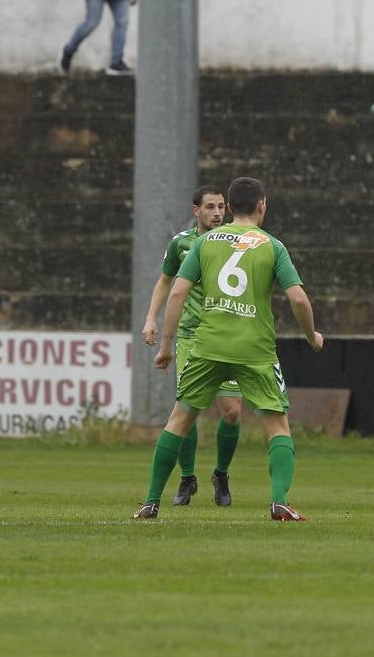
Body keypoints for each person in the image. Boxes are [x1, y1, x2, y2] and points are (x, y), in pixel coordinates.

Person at [134, 177, 324, 521]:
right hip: (255, 350)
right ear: (263, 205)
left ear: (230, 208)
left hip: (208, 346)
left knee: (178, 421)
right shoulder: (272, 245)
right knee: (278, 427)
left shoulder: (204, 243)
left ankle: (150, 502)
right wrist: (312, 336)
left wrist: (165, 345)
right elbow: (297, 297)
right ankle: (279, 501)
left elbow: (176, 293)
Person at [141, 186, 244, 508]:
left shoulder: (237, 241)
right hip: (189, 337)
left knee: (231, 412)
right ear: (196, 209)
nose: (217, 212)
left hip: (226, 335)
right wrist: (151, 319)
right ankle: (187, 477)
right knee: (187, 412)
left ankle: (221, 474)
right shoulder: (182, 243)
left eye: (222, 206)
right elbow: (165, 281)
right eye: (210, 207)